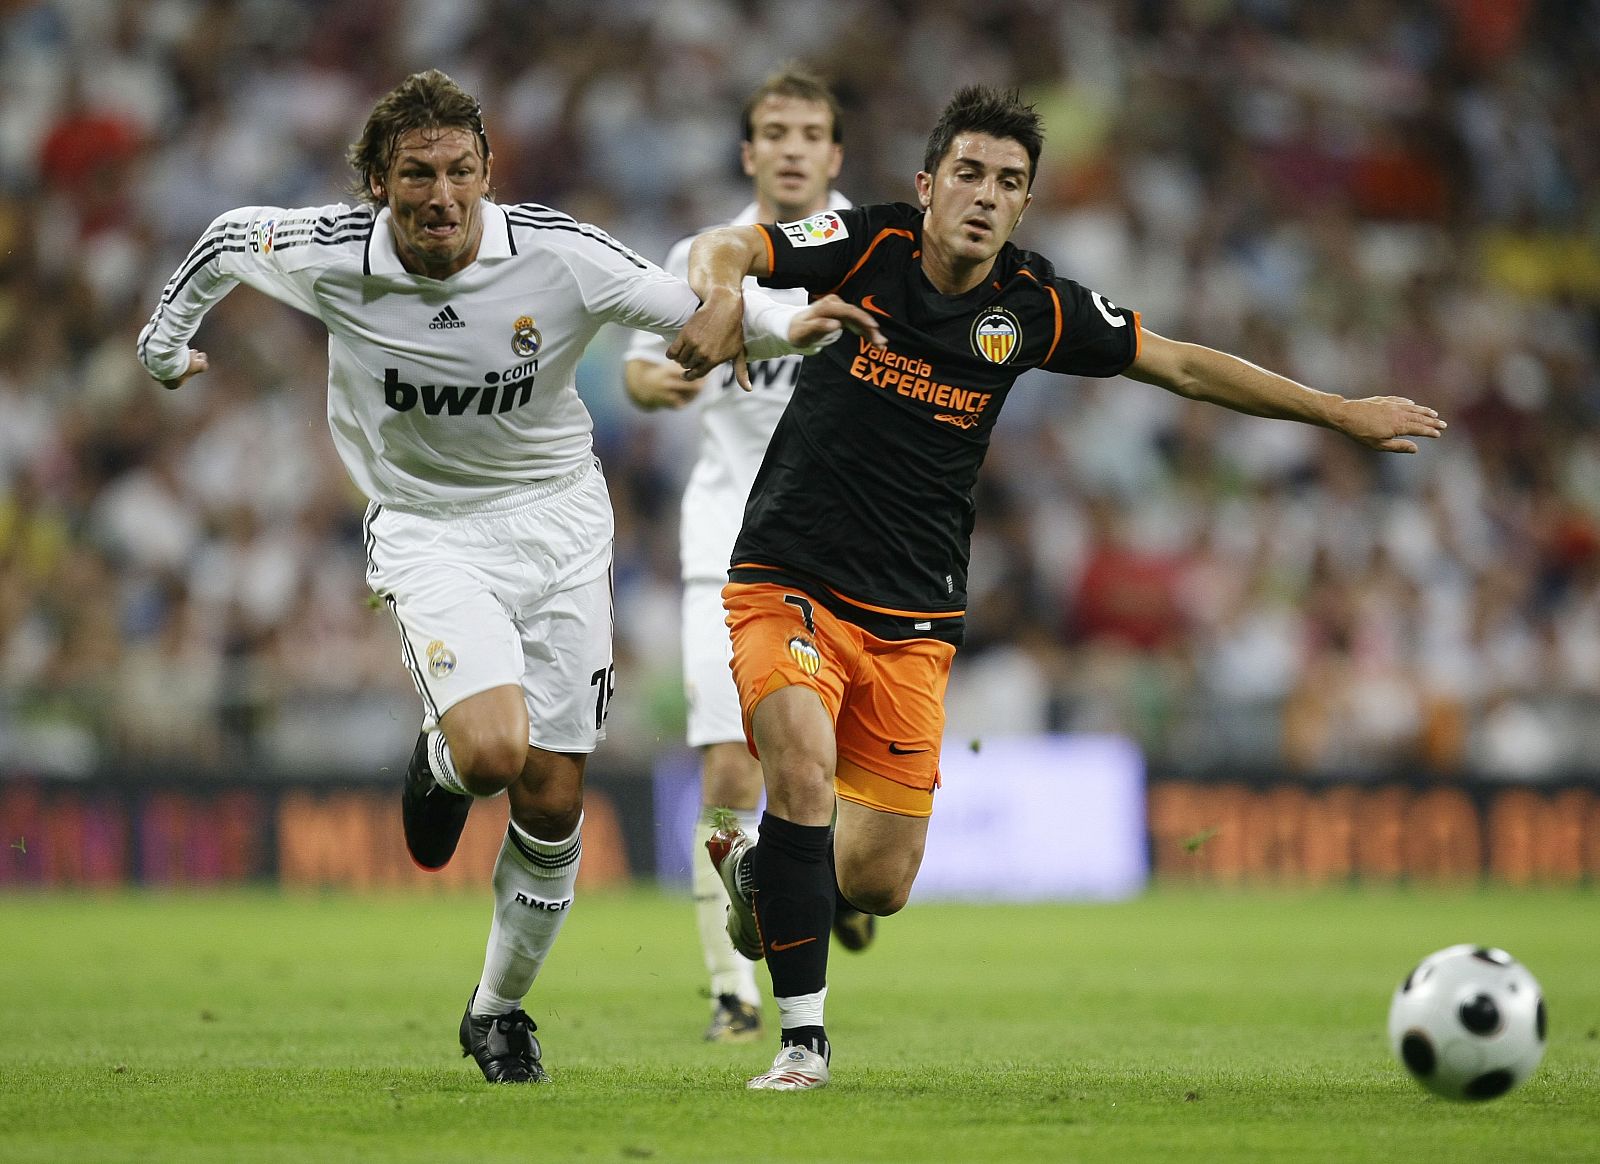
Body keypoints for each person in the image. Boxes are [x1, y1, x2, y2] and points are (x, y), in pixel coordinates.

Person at [671, 85, 1447, 1091]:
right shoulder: (864, 244)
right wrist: (724, 295)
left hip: (913, 614)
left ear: (1025, 205)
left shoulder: (1033, 306)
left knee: (874, 881)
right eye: (968, 175)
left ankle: (755, 875)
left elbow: (1180, 366)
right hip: (789, 574)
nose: (984, 197)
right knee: (802, 776)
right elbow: (726, 249)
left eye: (1007, 183)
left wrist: (1336, 411)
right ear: (927, 184)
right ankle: (802, 1045)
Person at [135, 69, 881, 1085]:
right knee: (492, 750)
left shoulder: (557, 255)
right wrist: (163, 347)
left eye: (459, 172)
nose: (440, 196)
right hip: (430, 530)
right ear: (376, 183)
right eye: (415, 175)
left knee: (552, 798)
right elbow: (225, 241)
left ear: (488, 173)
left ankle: (496, 1012)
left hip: (563, 531)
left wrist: (786, 325)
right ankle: (442, 763)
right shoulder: (329, 256)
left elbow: (691, 312)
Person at [621, 66, 874, 1047]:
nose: (793, 147)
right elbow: (646, 353)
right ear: (749, 151)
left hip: (850, 546)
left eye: (811, 131)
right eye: (775, 130)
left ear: (835, 153)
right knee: (731, 765)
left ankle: (836, 883)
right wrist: (648, 386)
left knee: (835, 789)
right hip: (727, 541)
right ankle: (732, 989)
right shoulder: (705, 256)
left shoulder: (878, 252)